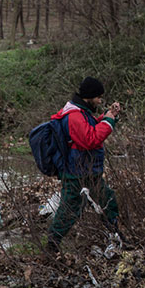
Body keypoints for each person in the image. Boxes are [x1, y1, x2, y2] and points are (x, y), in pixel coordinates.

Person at [45, 76, 121, 253]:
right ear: (89, 96)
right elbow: (90, 139)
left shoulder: (80, 112)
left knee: (107, 200)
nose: (100, 101)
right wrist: (108, 121)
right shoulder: (74, 115)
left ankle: (117, 235)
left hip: (85, 171)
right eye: (98, 97)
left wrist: (109, 117)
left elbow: (91, 128)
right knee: (70, 209)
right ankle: (52, 245)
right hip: (76, 173)